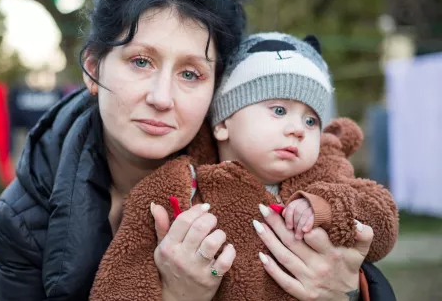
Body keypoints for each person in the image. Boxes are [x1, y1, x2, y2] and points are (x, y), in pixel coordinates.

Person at [0, 0, 396, 300]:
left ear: (217, 90)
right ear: (93, 69)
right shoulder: (23, 219)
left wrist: (351, 291)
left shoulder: (267, 159)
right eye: (140, 62)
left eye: (190, 73)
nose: (162, 97)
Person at [89, 32, 399, 300]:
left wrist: (327, 208)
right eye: (279, 110)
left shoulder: (326, 175)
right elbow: (124, 276)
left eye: (311, 120)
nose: (298, 129)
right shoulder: (183, 184)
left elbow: (382, 220)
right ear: (223, 123)